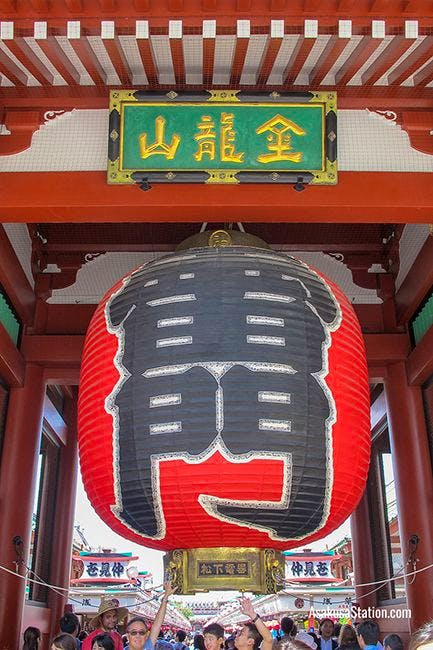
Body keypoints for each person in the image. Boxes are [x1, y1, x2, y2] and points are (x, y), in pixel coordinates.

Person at [124, 582, 178, 650]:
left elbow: (157, 625)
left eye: (142, 632)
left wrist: (165, 598)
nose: (138, 636)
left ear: (146, 636)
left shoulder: (147, 647)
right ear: (127, 636)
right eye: (134, 633)